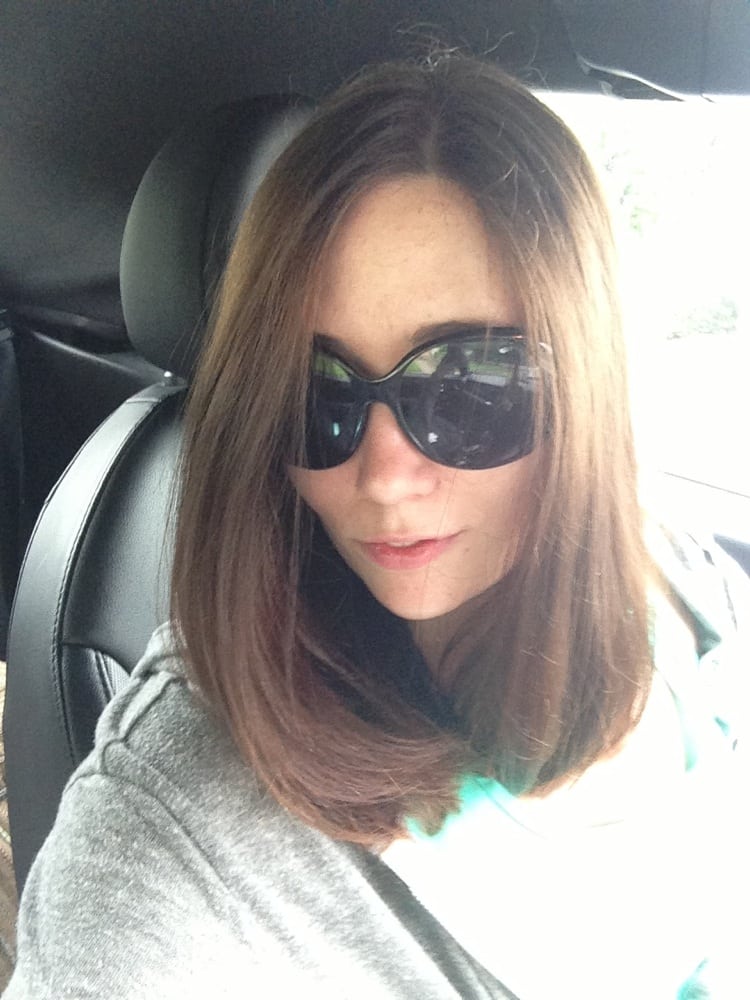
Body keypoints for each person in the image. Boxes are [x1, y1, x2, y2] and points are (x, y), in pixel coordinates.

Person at [4, 56, 748, 1000]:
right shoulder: (179, 820)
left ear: (586, 385)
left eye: (469, 386)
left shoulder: (687, 579)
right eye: (316, 394)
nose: (387, 479)